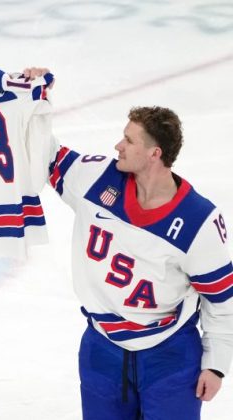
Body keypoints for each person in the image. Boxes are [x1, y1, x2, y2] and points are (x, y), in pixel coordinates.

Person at [47, 105, 233, 419]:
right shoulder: (97, 177)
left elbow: (222, 300)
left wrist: (216, 365)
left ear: (154, 154)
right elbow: (45, 154)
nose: (118, 145)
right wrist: (32, 99)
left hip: (170, 356)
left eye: (129, 140)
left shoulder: (198, 221)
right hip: (102, 347)